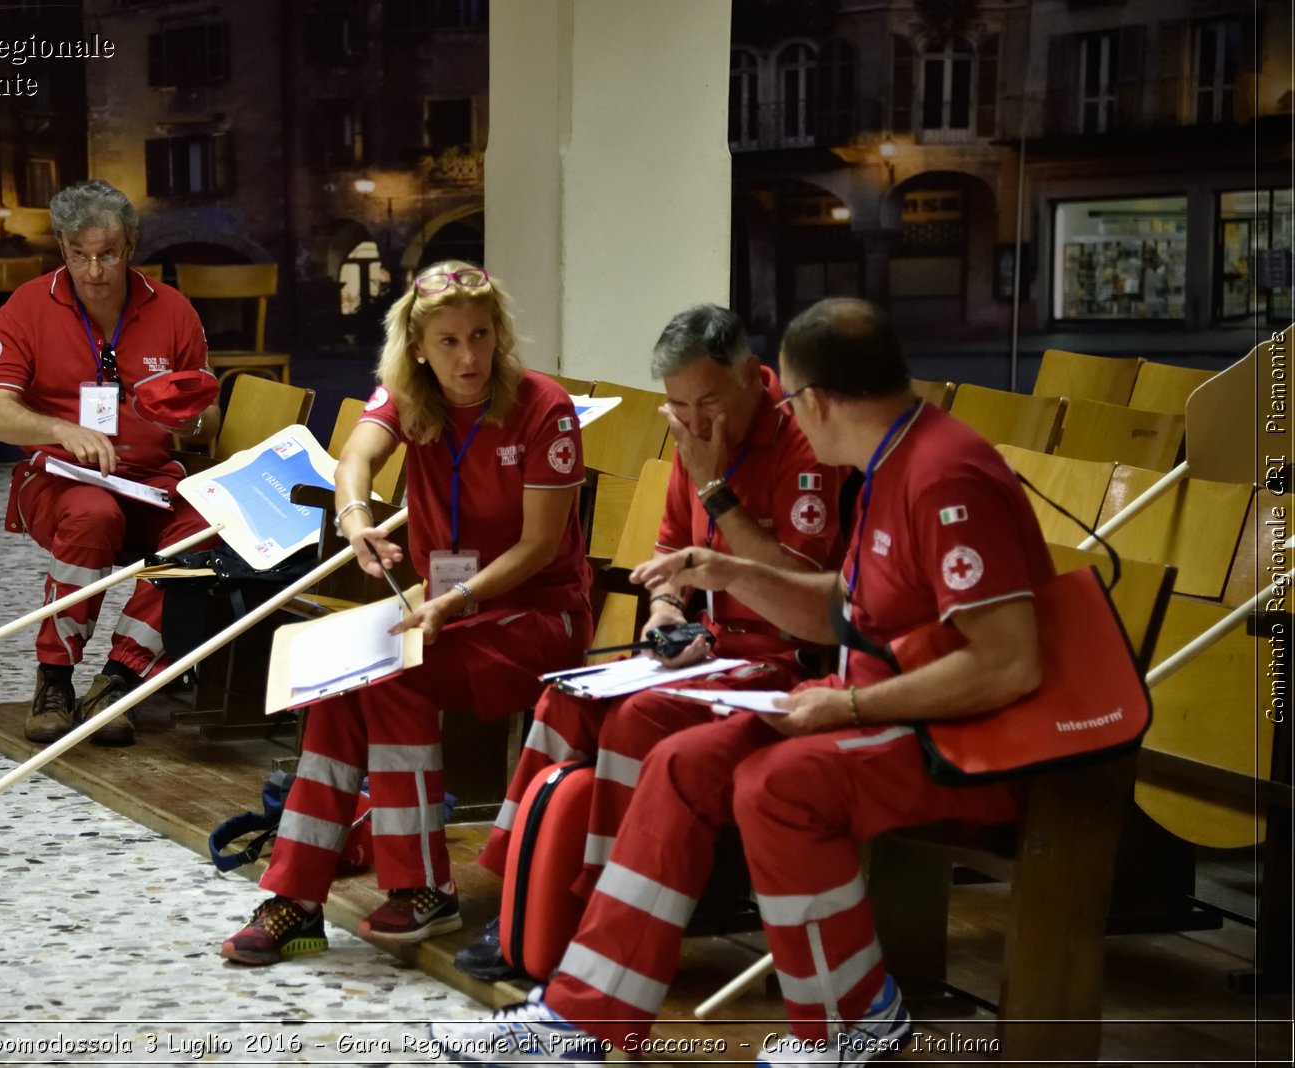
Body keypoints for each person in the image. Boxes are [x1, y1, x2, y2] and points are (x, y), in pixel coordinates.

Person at [430, 297, 1055, 1066]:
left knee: (776, 786)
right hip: (878, 706)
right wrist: (718, 569)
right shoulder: (892, 460)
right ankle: (585, 1018)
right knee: (679, 763)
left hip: (961, 739)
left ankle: (854, 1014)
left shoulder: (945, 475)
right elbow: (840, 614)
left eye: (789, 396)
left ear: (814, 400)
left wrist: (849, 702)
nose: (790, 412)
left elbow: (1006, 662)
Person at [220, 261, 594, 966]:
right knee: (340, 682)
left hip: (536, 615)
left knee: (392, 676)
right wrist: (356, 515)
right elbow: (355, 456)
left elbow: (541, 546)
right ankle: (297, 900)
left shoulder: (544, 407)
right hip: (448, 607)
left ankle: (425, 887)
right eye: (449, 341)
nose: (469, 356)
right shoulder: (408, 395)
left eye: (481, 336)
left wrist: (453, 598)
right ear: (419, 347)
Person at [457, 303, 842, 978]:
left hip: (785, 657)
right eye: (679, 405)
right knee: (565, 699)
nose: (694, 422)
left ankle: (595, 910)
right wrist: (664, 608)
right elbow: (671, 552)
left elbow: (801, 588)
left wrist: (715, 487)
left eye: (710, 401)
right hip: (709, 645)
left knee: (638, 719)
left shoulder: (800, 443)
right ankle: (520, 896)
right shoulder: (694, 440)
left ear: (753, 376)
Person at [0, 179, 221, 747]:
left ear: (130, 245)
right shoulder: (28, 306)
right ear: (62, 249)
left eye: (107, 254)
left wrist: (187, 418)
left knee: (209, 529)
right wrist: (61, 429)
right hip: (62, 482)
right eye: (80, 255)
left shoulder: (175, 311)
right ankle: (55, 679)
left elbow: (205, 419)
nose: (94, 271)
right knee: (94, 514)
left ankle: (120, 681)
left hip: (152, 482)